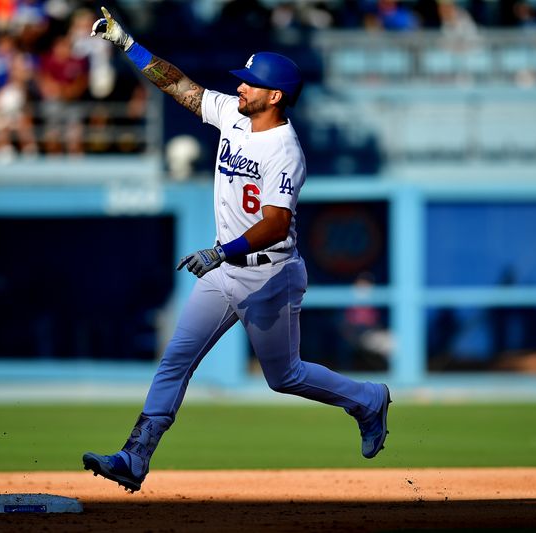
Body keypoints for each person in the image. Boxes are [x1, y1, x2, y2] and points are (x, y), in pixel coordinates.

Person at [82, 6, 392, 493]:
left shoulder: (284, 151)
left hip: (269, 274)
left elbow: (275, 224)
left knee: (284, 376)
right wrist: (126, 43)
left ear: (274, 95)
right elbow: (179, 86)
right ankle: (135, 456)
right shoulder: (233, 113)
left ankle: (368, 399)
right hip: (226, 270)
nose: (239, 87)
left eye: (250, 83)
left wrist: (221, 253)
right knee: (176, 361)